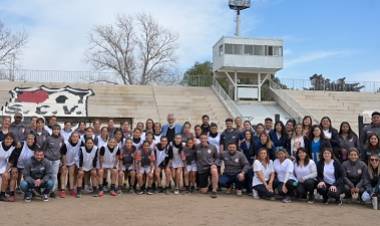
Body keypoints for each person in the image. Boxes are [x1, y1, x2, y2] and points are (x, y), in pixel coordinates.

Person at [42, 124, 64, 197]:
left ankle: (52, 191)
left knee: (54, 175)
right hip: (48, 160)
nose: (56, 131)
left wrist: (61, 160)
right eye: (55, 129)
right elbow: (44, 149)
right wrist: (44, 158)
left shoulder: (61, 139)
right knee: (48, 175)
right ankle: (46, 190)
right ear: (52, 130)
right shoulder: (48, 138)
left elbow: (62, 150)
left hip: (57, 160)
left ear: (59, 130)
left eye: (58, 129)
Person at [196, 133, 219, 198]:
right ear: (200, 139)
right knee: (203, 191)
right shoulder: (197, 147)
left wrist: (214, 164)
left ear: (207, 139)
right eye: (201, 138)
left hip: (210, 166)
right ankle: (208, 184)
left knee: (214, 170)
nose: (203, 140)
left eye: (205, 138)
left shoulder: (213, 147)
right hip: (201, 169)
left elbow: (217, 157)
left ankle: (214, 190)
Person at [59, 131, 81, 198]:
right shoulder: (66, 144)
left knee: (71, 174)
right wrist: (64, 164)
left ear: (78, 138)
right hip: (65, 160)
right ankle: (62, 190)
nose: (75, 138)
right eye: (73, 136)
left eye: (76, 137)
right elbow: (63, 155)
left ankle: (71, 189)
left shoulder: (80, 143)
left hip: (72, 161)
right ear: (71, 137)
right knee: (64, 173)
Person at [0, 133, 17, 201]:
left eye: (10, 139)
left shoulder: (13, 148)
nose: (8, 140)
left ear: (13, 140)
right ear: (4, 139)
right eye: (7, 139)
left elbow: (10, 162)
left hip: (4, 166)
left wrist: (6, 171)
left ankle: (4, 194)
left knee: (12, 173)